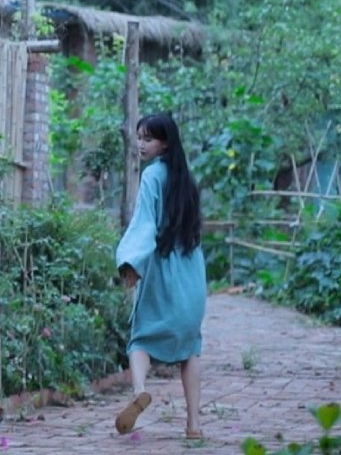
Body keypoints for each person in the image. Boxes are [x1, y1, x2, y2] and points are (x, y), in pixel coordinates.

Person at [113, 112, 207, 440]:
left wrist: (130, 262)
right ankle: (193, 425)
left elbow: (145, 224)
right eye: (139, 137)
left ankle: (140, 391)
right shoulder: (186, 180)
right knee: (190, 348)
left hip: (162, 272)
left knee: (140, 339)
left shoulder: (152, 175)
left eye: (148, 139)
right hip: (192, 275)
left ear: (165, 143)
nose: (141, 144)